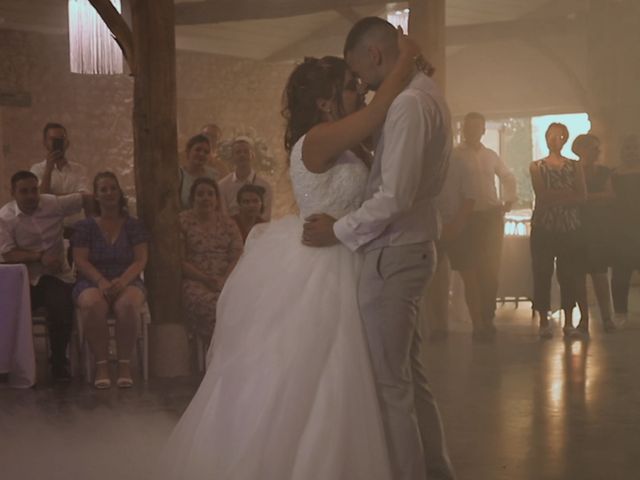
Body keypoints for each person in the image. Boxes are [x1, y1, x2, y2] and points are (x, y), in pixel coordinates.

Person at [158, 31, 421, 480]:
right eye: (350, 85)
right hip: (321, 264)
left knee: (347, 373)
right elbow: (379, 111)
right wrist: (405, 62)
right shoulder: (316, 139)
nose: (360, 89)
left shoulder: (342, 140)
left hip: (344, 249)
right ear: (324, 103)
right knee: (319, 372)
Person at [303, 18, 456, 480]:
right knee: (410, 379)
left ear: (373, 55)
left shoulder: (410, 105)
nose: (365, 88)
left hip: (395, 253)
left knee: (390, 388)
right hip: (411, 247)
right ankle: (437, 470)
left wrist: (340, 230)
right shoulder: (426, 94)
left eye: (359, 73)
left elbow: (394, 196)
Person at [0, 171, 90, 381]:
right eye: (24, 191)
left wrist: (91, 225)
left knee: (60, 307)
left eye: (34, 190)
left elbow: (85, 197)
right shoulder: (5, 218)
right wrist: (39, 257)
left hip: (56, 276)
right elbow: (8, 253)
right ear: (12, 192)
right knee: (5, 310)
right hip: (25, 278)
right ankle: (8, 364)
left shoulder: (53, 204)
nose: (31, 196)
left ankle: (59, 361)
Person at [72, 172, 149, 389]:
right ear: (96, 195)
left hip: (127, 278)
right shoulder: (85, 226)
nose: (109, 193)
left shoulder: (134, 225)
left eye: (112, 188)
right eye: (103, 189)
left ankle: (124, 364)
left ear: (119, 192)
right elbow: (80, 260)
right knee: (93, 304)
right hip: (92, 279)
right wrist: (100, 281)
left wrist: (123, 281)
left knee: (127, 305)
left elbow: (141, 259)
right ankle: (102, 364)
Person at [453, 112, 517, 339]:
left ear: (482, 130)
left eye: (478, 127)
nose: (473, 131)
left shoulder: (491, 155)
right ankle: (476, 322)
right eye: (469, 127)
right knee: (469, 272)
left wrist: (508, 201)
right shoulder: (455, 156)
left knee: (490, 271)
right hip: (467, 218)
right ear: (463, 129)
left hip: (490, 218)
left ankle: (487, 319)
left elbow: (508, 176)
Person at [529, 123, 588, 339]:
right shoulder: (536, 166)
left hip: (568, 226)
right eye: (551, 136)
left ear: (565, 139)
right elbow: (542, 195)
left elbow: (582, 196)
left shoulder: (574, 166)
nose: (556, 140)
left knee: (568, 274)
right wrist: (567, 193)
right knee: (542, 272)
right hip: (544, 225)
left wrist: (559, 195)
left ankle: (569, 321)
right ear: (546, 138)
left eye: (560, 136)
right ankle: (544, 320)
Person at [180, 177, 243, 346]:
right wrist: (206, 279)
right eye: (200, 194)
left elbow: (237, 256)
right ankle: (217, 353)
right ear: (192, 198)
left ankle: (241, 353)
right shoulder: (182, 222)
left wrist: (224, 281)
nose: (206, 198)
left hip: (227, 280)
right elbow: (180, 260)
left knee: (243, 303)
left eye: (210, 194)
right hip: (196, 281)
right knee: (213, 305)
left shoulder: (228, 224)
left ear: (216, 199)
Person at [424, 146, 477, 342]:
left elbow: (470, 197)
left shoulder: (459, 163)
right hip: (432, 226)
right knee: (434, 280)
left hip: (457, 225)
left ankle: (479, 324)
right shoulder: (422, 161)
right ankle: (439, 326)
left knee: (470, 275)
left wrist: (457, 224)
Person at [572, 134, 616, 333]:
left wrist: (585, 197)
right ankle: (584, 319)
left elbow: (610, 195)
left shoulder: (604, 172)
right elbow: (572, 198)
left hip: (599, 228)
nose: (596, 151)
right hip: (578, 228)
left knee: (600, 275)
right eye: (592, 147)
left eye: (597, 148)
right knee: (579, 276)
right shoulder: (572, 171)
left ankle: (607, 317)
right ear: (581, 149)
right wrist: (592, 198)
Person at [610, 134, 640, 322]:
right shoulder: (614, 174)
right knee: (620, 273)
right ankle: (620, 313)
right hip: (621, 229)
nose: (632, 152)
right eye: (628, 148)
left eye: (636, 148)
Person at [217, 136, 273, 220]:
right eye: (238, 152)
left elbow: (266, 217)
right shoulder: (222, 186)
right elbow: (223, 216)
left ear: (252, 156)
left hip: (257, 230)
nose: (242, 155)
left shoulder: (265, 186)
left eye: (246, 152)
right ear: (232, 158)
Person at [179, 134, 219, 210]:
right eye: (198, 150)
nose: (201, 154)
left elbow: (218, 203)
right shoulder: (179, 175)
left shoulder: (213, 175)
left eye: (206, 152)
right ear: (188, 151)